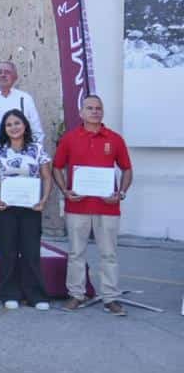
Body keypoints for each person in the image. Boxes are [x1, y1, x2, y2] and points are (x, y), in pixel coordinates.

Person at [53, 95, 133, 316]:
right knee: (76, 253)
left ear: (103, 112)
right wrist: (65, 191)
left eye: (98, 108)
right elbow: (57, 167)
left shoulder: (115, 139)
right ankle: (76, 295)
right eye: (90, 108)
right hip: (77, 207)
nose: (95, 111)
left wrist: (121, 193)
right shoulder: (69, 138)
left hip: (108, 207)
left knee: (109, 254)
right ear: (81, 112)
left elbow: (127, 169)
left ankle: (110, 298)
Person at [0, 61, 45, 255]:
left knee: (19, 200)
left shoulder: (24, 99)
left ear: (16, 77)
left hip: (22, 160)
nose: (3, 75)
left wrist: (31, 157)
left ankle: (19, 239)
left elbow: (37, 130)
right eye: (0, 72)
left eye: (8, 72)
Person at [0, 109, 53, 310]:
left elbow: (47, 177)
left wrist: (44, 200)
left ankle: (36, 295)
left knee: (31, 251)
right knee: (8, 251)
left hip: (31, 206)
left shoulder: (37, 148)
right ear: (4, 128)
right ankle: (9, 293)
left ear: (25, 125)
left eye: (17, 123)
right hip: (5, 207)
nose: (13, 127)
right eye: (9, 124)